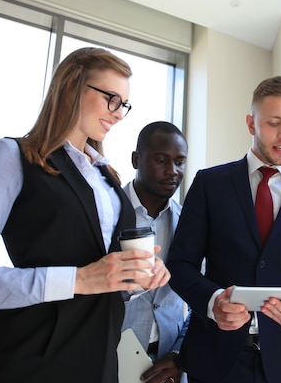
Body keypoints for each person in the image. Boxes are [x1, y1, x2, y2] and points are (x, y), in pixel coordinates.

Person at [0, 47, 170, 383]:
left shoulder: (109, 180)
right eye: (111, 98)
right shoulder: (13, 156)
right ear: (72, 87)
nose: (117, 114)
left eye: (123, 105)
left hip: (99, 363)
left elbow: (105, 277)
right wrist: (80, 280)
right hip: (26, 361)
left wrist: (136, 276)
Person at [165, 75, 281, 383]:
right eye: (274, 123)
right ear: (251, 123)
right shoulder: (210, 184)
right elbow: (180, 265)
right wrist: (214, 301)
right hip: (215, 361)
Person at [120, 121, 189, 383]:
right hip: (106, 361)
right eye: (161, 160)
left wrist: (179, 354)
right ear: (136, 159)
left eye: (180, 162)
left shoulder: (188, 223)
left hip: (168, 369)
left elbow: (200, 302)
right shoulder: (105, 215)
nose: (172, 171)